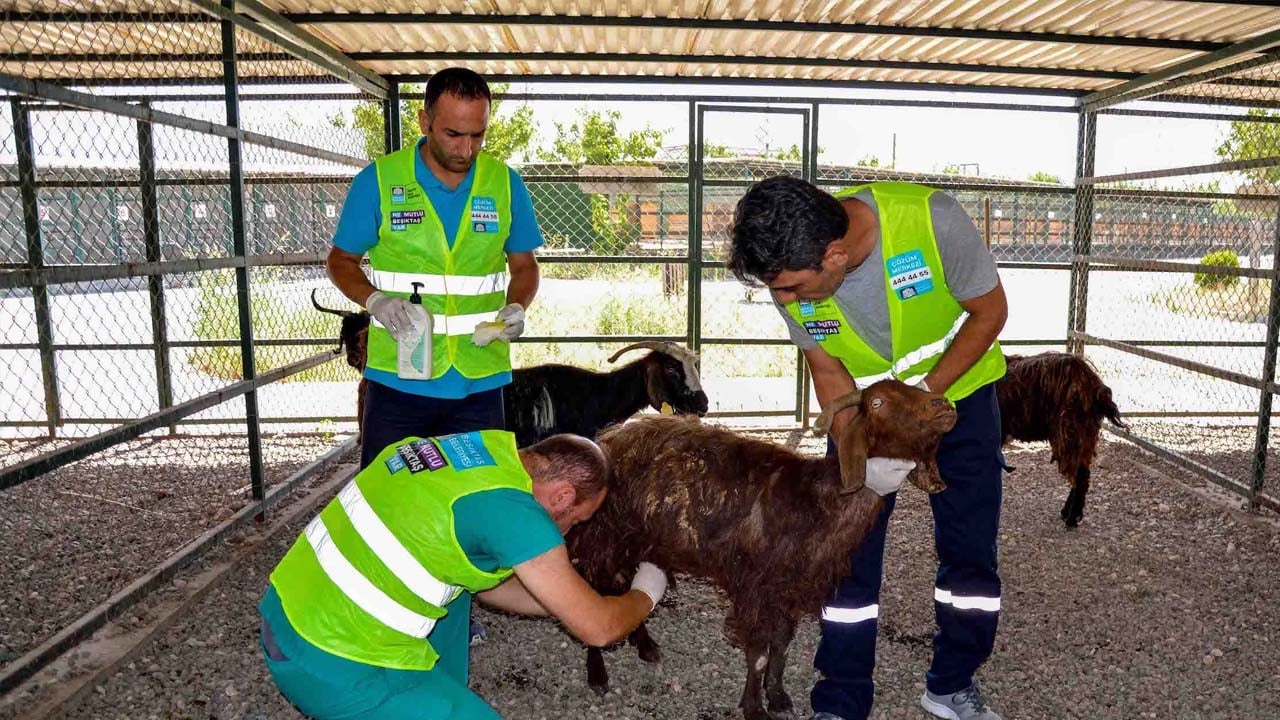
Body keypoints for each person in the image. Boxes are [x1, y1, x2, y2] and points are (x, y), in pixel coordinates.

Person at [728, 177, 1008, 720]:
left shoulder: (932, 220)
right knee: (846, 556)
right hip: (862, 419)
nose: (783, 300)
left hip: (959, 401)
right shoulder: (789, 268)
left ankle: (952, 685)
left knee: (970, 551)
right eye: (776, 289)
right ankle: (841, 699)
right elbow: (828, 369)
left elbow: (990, 314)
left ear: (835, 256)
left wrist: (919, 404)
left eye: (791, 287)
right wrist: (858, 453)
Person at [258, 430, 667, 720]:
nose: (570, 530)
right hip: (330, 664)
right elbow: (599, 629)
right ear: (562, 496)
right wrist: (646, 591)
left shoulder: (470, 451)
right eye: (577, 519)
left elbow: (491, 589)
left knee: (458, 597)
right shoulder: (514, 514)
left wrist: (568, 603)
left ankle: (429, 696)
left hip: (285, 614)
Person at [325, 67, 542, 470]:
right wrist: (375, 300)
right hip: (399, 381)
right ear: (425, 122)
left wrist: (517, 307)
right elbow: (340, 260)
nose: (466, 150)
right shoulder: (379, 181)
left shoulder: (505, 184)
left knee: (477, 500)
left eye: (478, 135)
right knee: (392, 499)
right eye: (453, 135)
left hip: (480, 381)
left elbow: (525, 266)